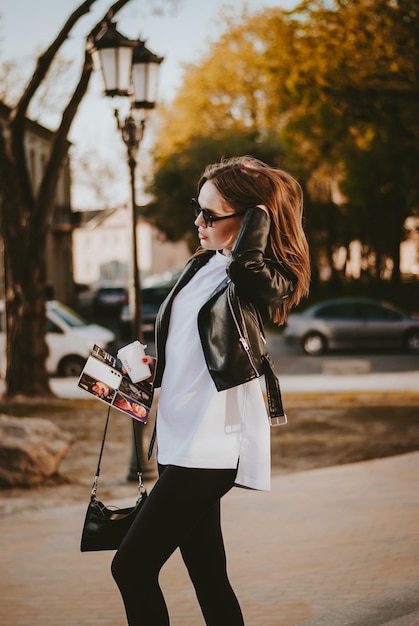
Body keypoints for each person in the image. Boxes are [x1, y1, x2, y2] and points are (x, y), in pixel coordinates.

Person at [111, 156, 311, 625]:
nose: (197, 222)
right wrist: (147, 369)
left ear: (249, 220)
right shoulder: (204, 266)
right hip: (178, 438)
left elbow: (247, 266)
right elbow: (194, 347)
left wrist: (261, 210)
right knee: (208, 575)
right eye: (197, 209)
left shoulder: (256, 274)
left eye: (211, 214)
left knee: (131, 567)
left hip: (212, 445)